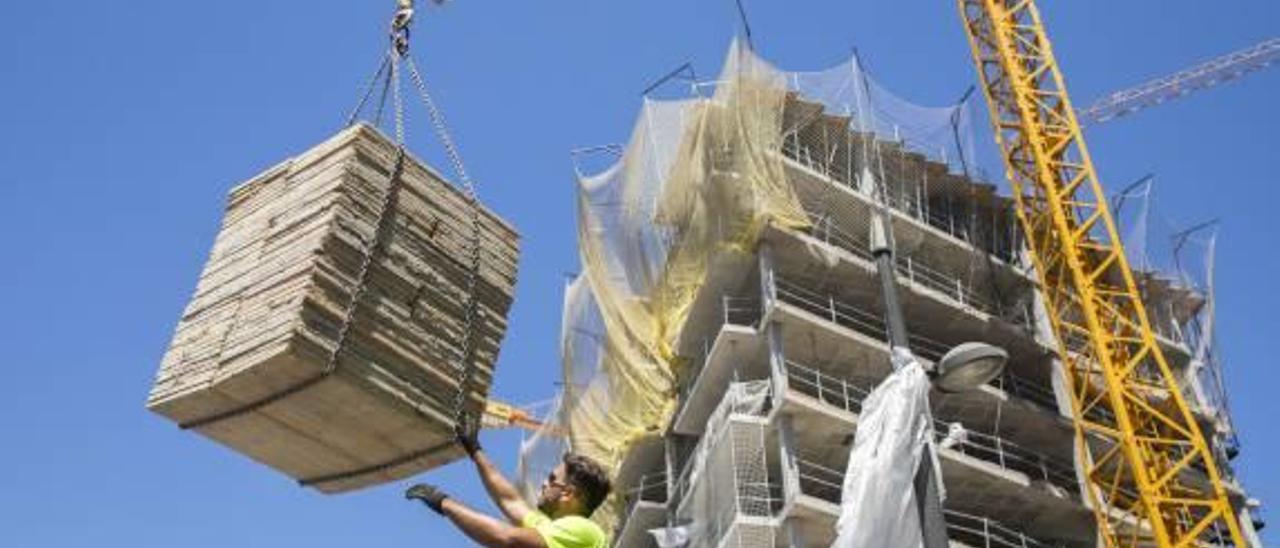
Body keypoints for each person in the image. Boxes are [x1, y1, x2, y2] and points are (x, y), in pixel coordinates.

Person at [405, 424, 610, 548]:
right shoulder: (550, 529)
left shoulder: (583, 530)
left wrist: (443, 502)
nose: (544, 484)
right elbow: (509, 500)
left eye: (551, 479)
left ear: (567, 494)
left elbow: (508, 539)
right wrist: (475, 450)